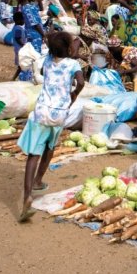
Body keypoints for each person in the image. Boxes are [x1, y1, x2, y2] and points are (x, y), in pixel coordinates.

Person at [17, 31, 84, 222]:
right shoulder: (73, 64)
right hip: (59, 113)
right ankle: (38, 180)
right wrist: (74, 95)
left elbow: (54, 42)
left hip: (41, 111)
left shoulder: (46, 61)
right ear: (69, 49)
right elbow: (80, 81)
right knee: (50, 147)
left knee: (33, 155)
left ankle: (28, 194)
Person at [20, 0, 46, 70]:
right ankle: (30, 75)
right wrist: (44, 34)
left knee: (35, 54)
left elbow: (41, 8)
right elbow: (35, 23)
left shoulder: (30, 6)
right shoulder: (27, 7)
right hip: (34, 34)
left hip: (36, 34)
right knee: (34, 56)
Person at [11, 10, 30, 81]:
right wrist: (24, 44)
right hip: (20, 49)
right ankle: (15, 78)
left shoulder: (15, 27)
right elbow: (18, 38)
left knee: (21, 66)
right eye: (23, 19)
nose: (24, 21)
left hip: (18, 49)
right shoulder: (18, 28)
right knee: (22, 65)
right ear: (19, 20)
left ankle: (14, 78)